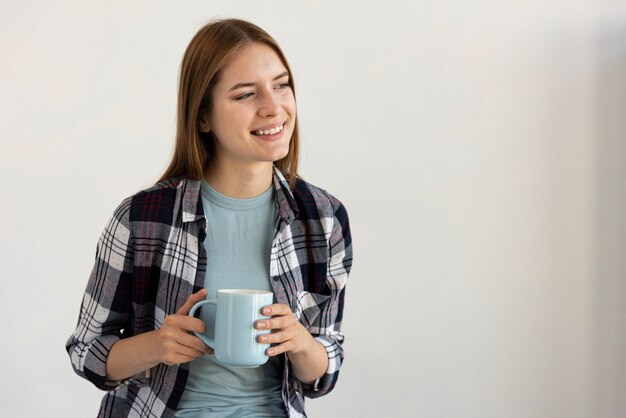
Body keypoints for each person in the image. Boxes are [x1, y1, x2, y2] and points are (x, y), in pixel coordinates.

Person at [66, 18, 353, 418]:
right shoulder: (142, 218)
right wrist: (156, 345)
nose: (274, 107)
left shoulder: (322, 219)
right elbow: (86, 350)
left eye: (281, 85)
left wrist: (302, 342)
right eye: (245, 94)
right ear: (203, 117)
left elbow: (323, 372)